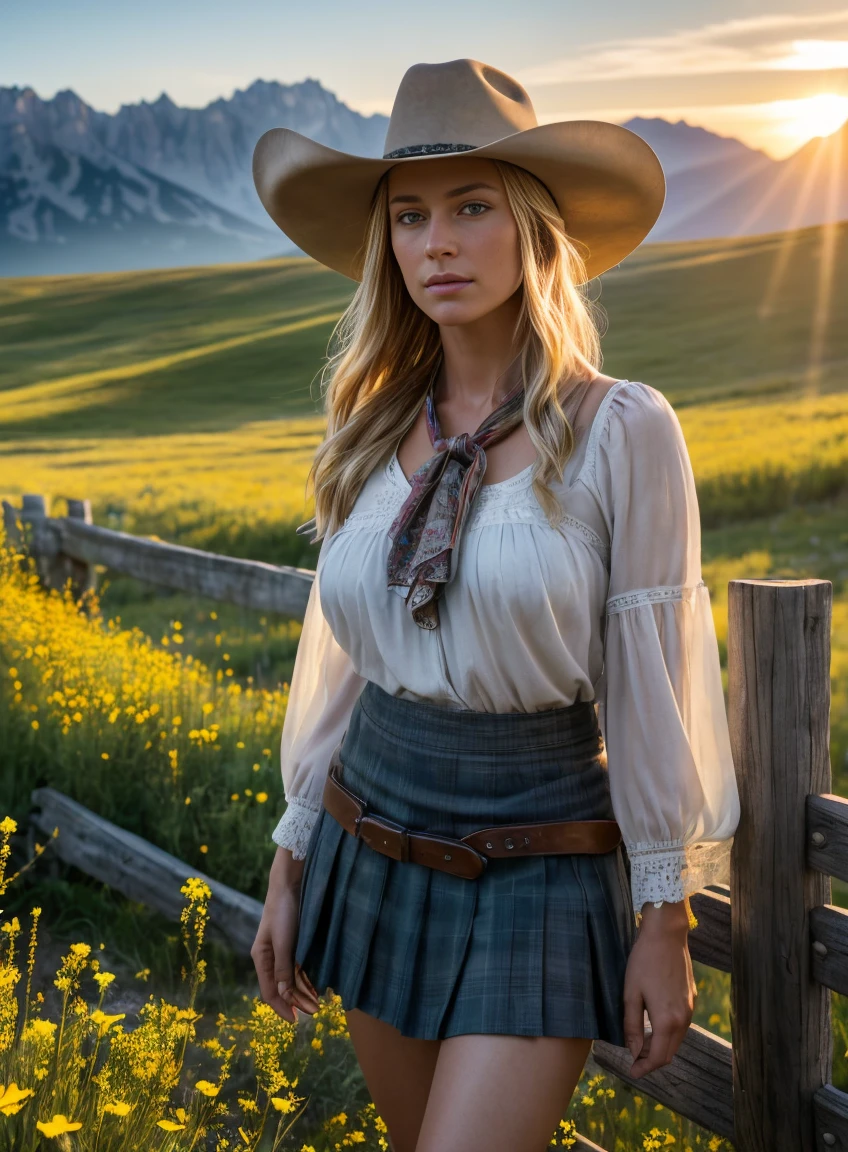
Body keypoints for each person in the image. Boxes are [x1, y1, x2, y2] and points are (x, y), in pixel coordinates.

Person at [249, 58, 741, 1152]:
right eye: (411, 214)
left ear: (529, 229)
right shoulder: (370, 434)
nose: (437, 243)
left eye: (472, 208)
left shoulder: (620, 431)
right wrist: (292, 862)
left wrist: (663, 917)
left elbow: (649, 682)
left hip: (538, 855)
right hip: (364, 838)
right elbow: (340, 665)